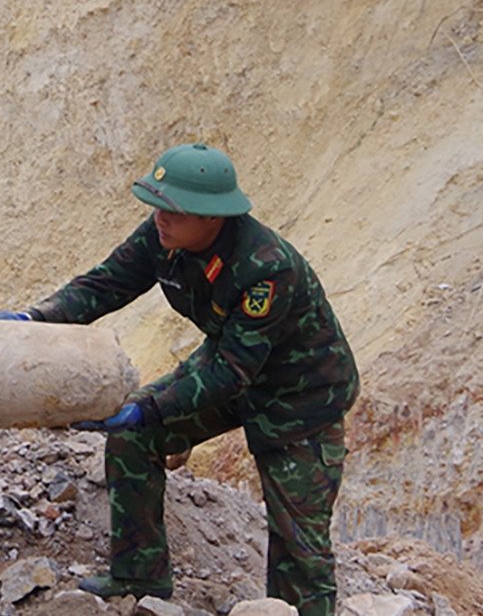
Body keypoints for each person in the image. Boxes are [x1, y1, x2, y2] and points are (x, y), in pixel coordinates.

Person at [22, 143, 359, 615]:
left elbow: (232, 373)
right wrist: (32, 319)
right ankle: (139, 578)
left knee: (297, 535)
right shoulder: (165, 237)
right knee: (134, 438)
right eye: (157, 205)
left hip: (300, 396)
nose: (160, 217)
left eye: (174, 210)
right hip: (228, 361)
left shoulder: (266, 267)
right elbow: (103, 285)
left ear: (212, 217)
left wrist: (150, 407)